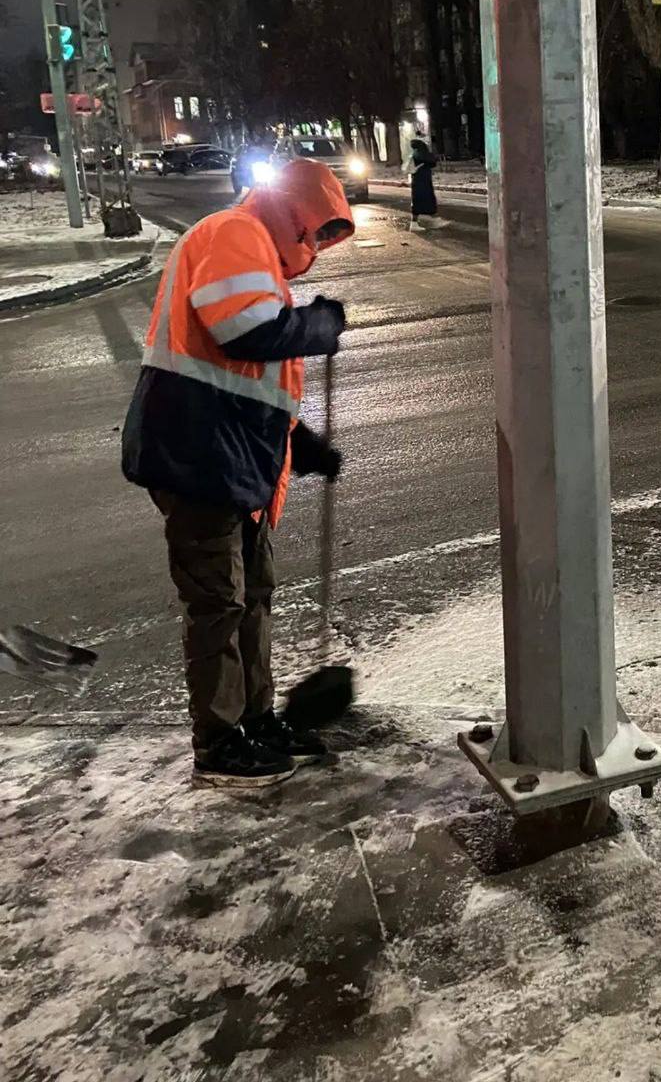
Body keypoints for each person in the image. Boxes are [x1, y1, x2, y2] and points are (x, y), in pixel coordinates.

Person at [122, 159, 355, 788]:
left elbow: (251, 382)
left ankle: (256, 719)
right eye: (317, 232)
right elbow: (245, 334)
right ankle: (220, 740)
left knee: (253, 595)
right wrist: (317, 325)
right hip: (195, 453)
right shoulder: (235, 232)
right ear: (298, 212)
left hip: (233, 456)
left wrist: (299, 445)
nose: (316, 247)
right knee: (219, 603)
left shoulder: (255, 252)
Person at [408, 137, 440, 227]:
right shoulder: (422, 155)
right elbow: (433, 162)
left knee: (417, 202)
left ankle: (414, 223)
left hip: (416, 181)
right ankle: (434, 220)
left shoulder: (414, 154)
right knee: (429, 200)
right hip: (424, 181)